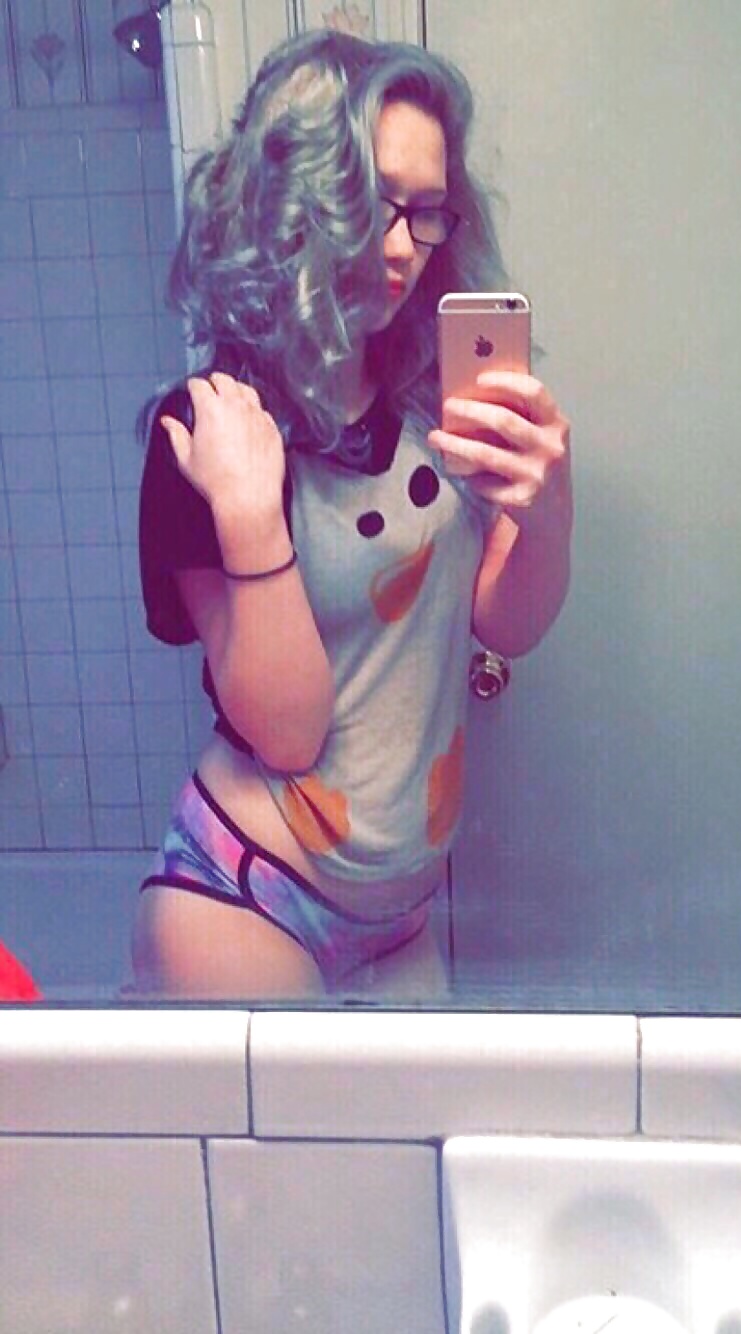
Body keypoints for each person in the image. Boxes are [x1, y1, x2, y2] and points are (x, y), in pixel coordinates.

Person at [131, 27, 572, 1001]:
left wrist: (549, 513)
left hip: (400, 916)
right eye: (373, 205)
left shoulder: (439, 395)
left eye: (426, 210)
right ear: (295, 200)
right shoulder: (208, 432)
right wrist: (252, 518)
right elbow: (288, 732)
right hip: (246, 900)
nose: (405, 245)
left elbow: (506, 623)